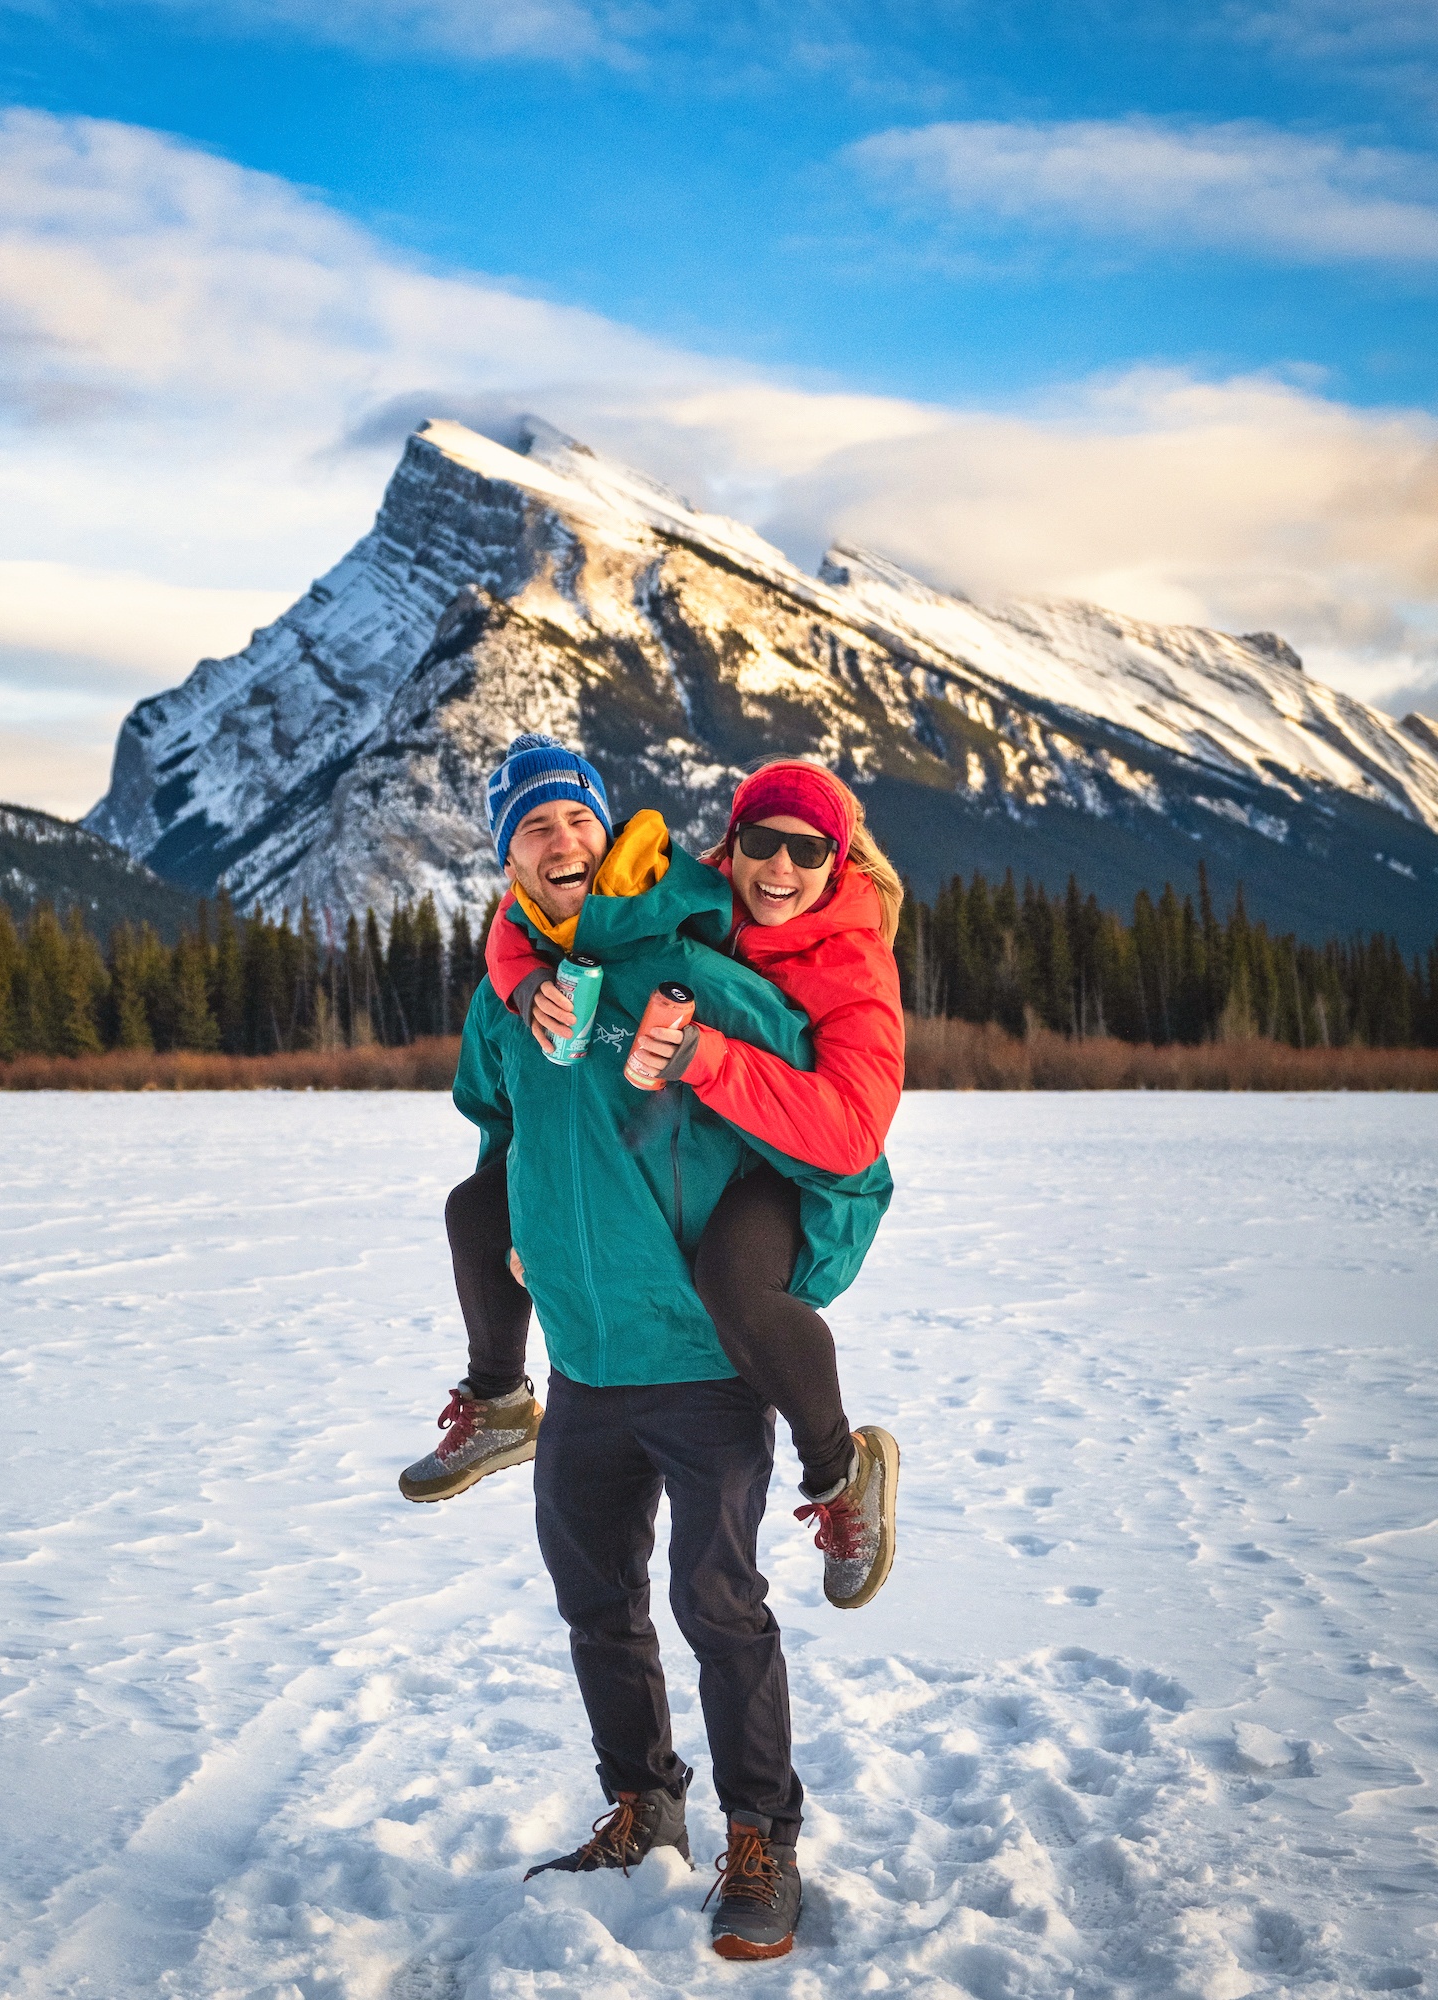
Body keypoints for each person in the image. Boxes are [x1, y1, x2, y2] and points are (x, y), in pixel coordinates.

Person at [405, 734, 891, 1960]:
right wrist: (512, 1231)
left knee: (717, 1602)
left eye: (575, 820)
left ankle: (762, 1837)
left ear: (607, 831)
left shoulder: (698, 965)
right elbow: (496, 1123)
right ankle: (644, 1804)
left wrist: (789, 1262)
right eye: (532, 828)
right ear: (507, 855)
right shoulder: (504, 990)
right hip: (584, 1359)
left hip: (699, 1353)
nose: (558, 842)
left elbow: (840, 1136)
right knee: (596, 1603)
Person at [442, 755, 908, 1613]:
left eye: (809, 854)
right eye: (762, 843)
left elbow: (847, 1139)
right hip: (734, 1136)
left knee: (732, 1279)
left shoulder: (851, 964)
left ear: (836, 865)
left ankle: (844, 1471)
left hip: (810, 1170)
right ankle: (498, 1397)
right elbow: (549, 919)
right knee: (476, 1205)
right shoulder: (711, 901)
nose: (782, 868)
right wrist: (521, 975)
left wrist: (705, 1059)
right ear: (729, 845)